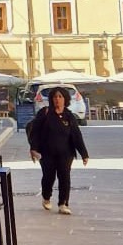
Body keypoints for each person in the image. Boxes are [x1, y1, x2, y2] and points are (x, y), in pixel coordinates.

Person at [27, 86, 89, 214]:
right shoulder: (44, 113)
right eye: (55, 97)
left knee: (65, 177)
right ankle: (46, 197)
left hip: (66, 153)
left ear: (65, 99)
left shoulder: (69, 116)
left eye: (60, 97)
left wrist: (84, 154)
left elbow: (76, 135)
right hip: (46, 153)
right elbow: (35, 132)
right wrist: (33, 148)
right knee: (49, 177)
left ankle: (63, 203)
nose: (57, 99)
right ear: (51, 99)